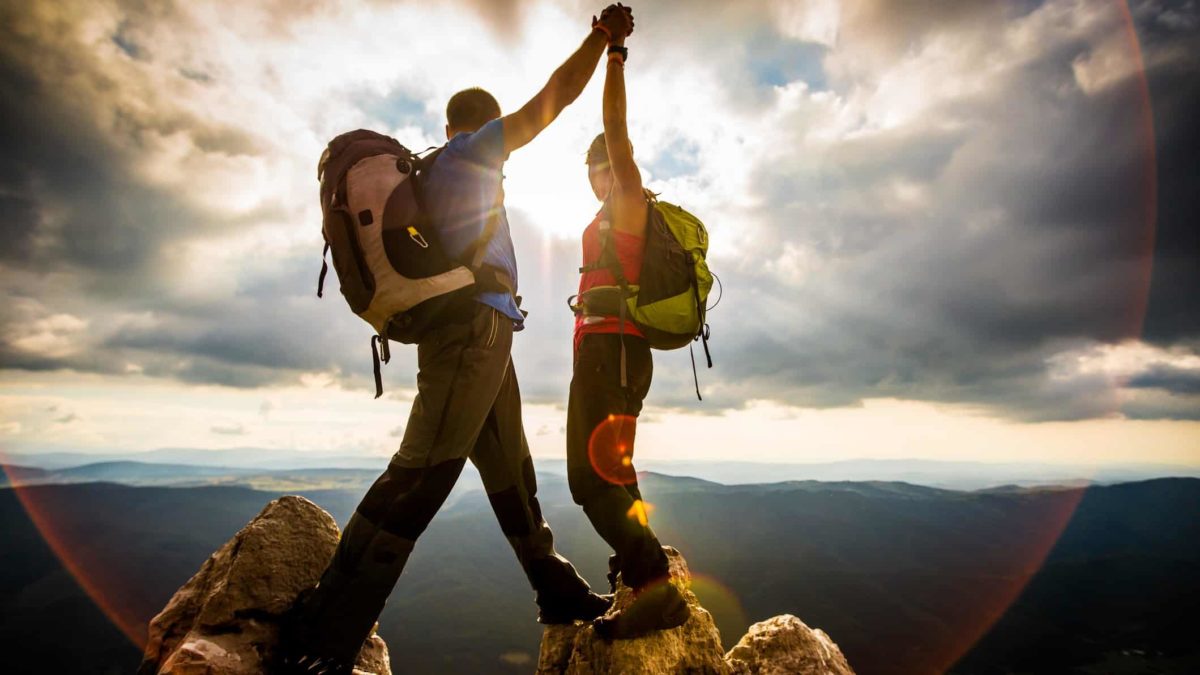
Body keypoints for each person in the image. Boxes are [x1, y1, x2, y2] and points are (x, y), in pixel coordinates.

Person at [277, 6, 636, 673]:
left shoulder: (439, 165)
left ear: (444, 126)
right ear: (477, 127)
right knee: (420, 477)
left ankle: (553, 588)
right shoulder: (473, 153)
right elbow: (552, 101)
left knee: (511, 474)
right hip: (472, 334)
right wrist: (602, 40)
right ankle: (327, 635)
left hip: (488, 335)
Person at [567, 21, 691, 640]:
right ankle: (642, 567)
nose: (601, 174)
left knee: (586, 480)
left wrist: (614, 55)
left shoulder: (629, 201)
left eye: (603, 166)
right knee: (615, 471)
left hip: (611, 351)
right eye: (593, 169)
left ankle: (654, 590)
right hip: (613, 352)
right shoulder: (607, 218)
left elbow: (617, 131)